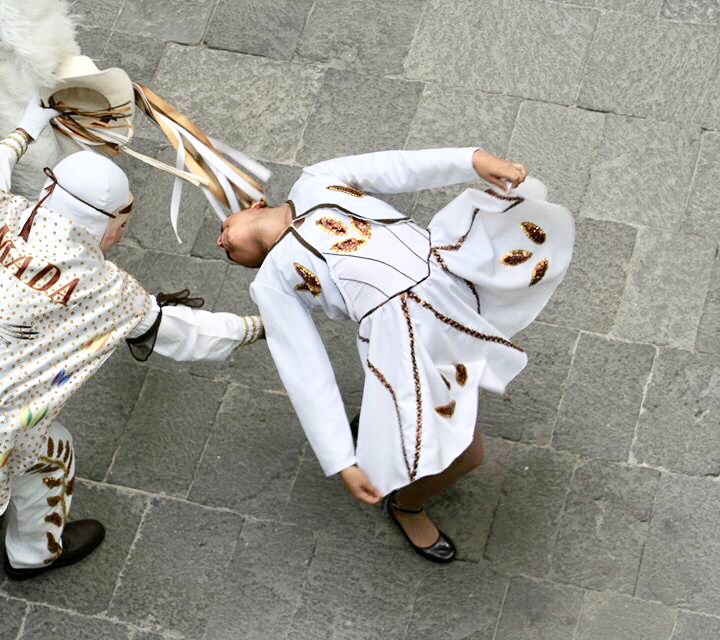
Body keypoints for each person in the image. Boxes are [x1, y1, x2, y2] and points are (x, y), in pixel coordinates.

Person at [0, 94, 264, 580]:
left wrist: (29, 126)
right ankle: (33, 553)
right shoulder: (105, 288)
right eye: (122, 221)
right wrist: (261, 326)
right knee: (50, 453)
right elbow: (183, 333)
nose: (121, 234)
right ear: (103, 220)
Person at [216, 147, 573, 562]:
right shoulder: (272, 282)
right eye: (225, 252)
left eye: (222, 228)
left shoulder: (314, 180)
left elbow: (395, 166)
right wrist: (340, 459)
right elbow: (303, 366)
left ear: (254, 205)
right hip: (403, 342)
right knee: (466, 453)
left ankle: (393, 446)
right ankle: (408, 503)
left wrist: (472, 161)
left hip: (449, 283)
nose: (219, 241)